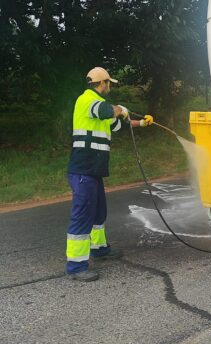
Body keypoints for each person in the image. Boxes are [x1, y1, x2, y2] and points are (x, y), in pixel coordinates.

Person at [65, 67, 154, 282]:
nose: (110, 87)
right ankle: (76, 266)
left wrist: (140, 123)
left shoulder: (99, 107)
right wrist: (121, 108)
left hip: (93, 171)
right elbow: (109, 111)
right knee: (83, 214)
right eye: (109, 83)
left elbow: (118, 124)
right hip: (83, 169)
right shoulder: (87, 100)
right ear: (102, 83)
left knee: (98, 213)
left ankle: (99, 249)